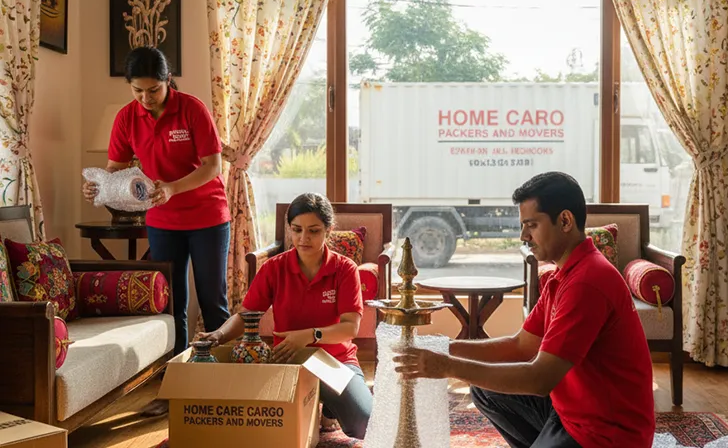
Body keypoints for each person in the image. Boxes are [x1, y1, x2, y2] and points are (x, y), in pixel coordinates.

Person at [393, 172, 655, 448]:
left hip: (608, 434)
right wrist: (445, 348)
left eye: (531, 225)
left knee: (487, 378)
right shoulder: (562, 275)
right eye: (522, 225)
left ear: (565, 220)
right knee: (485, 388)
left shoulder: (588, 282)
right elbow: (520, 345)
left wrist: (446, 366)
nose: (523, 235)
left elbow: (540, 380)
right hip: (570, 414)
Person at [82, 47, 232, 416]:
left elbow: (213, 166)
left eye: (153, 90)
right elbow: (117, 172)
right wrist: (99, 188)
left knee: (213, 301)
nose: (146, 99)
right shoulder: (126, 118)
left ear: (168, 81)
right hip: (163, 222)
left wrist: (172, 188)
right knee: (171, 305)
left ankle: (224, 384)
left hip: (208, 216)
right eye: (137, 91)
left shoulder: (192, 109)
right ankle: (174, 388)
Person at [194, 192, 373, 439]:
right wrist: (219, 334)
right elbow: (246, 315)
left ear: (328, 231)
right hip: (288, 360)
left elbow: (350, 328)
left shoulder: (344, 269)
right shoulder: (273, 268)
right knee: (258, 427)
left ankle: (330, 406)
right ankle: (319, 402)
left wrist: (309, 336)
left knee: (364, 424)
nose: (303, 238)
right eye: (297, 230)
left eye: (314, 231)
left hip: (336, 361)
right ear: (289, 229)